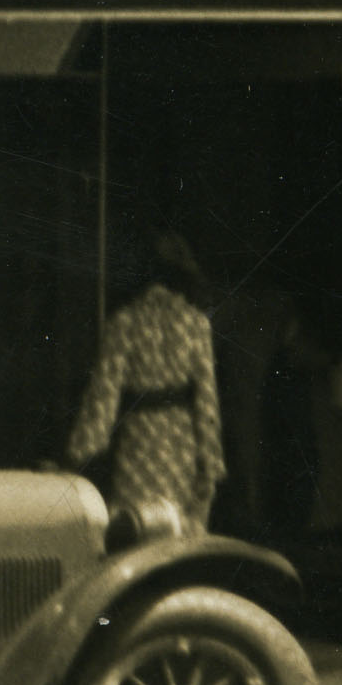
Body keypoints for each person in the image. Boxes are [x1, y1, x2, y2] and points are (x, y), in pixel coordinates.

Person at [67, 229, 227, 538]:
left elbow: (104, 395)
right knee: (178, 534)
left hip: (139, 442)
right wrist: (210, 464)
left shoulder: (124, 323)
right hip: (182, 444)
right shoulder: (197, 324)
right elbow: (207, 402)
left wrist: (78, 453)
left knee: (136, 529)